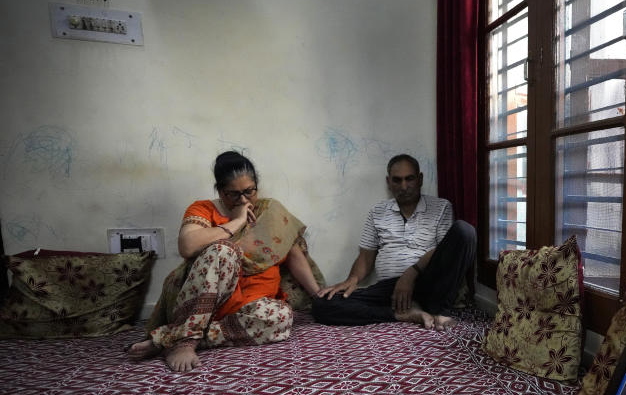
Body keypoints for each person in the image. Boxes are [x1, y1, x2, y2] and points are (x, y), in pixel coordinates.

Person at [124, 151, 324, 372]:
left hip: (247, 307)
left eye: (249, 191)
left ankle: (166, 339)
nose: (244, 200)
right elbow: (187, 246)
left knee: (281, 317)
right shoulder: (203, 208)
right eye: (234, 194)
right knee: (224, 250)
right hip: (204, 301)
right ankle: (184, 341)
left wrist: (317, 295)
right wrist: (236, 222)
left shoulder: (269, 210)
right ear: (220, 191)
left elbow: (291, 253)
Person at [312, 154, 475, 331]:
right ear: (388, 182)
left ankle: (438, 310)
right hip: (390, 290)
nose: (403, 186)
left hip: (429, 283)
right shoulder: (378, 211)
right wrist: (352, 279)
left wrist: (411, 274)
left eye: (409, 179)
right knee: (322, 305)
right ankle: (402, 314)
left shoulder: (441, 207)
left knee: (465, 231)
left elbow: (444, 252)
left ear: (419, 179)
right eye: (397, 180)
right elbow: (366, 257)